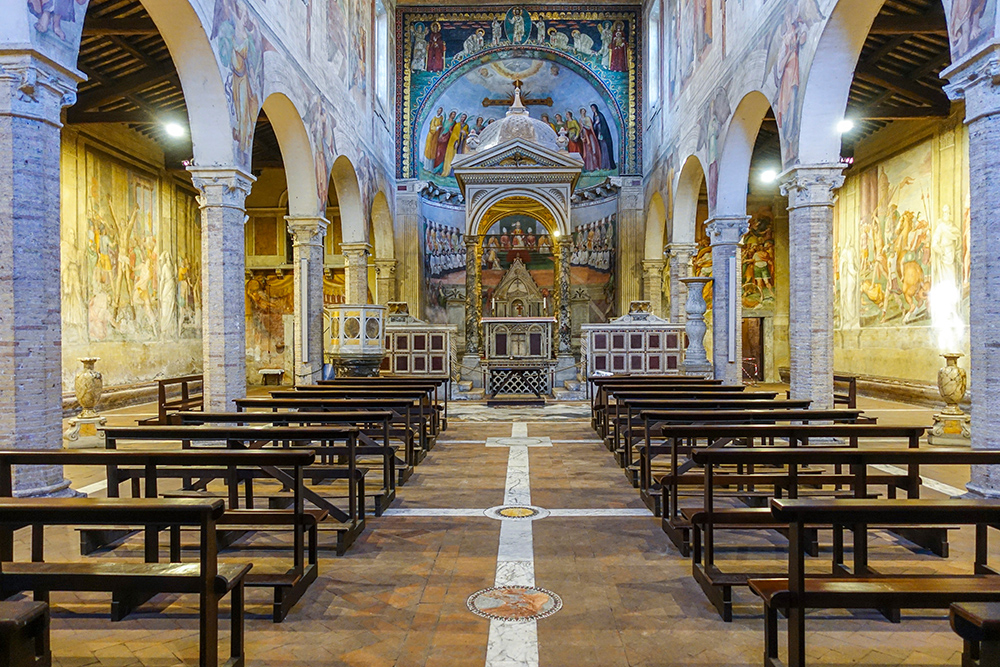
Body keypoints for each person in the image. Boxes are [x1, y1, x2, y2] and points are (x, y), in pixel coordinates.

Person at [590, 104, 617, 171]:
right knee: (602, 150)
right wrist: (595, 125)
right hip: (599, 136)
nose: (592, 109)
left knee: (606, 150)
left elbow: (604, 126)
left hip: (604, 136)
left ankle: (608, 166)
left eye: (593, 108)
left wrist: (601, 133)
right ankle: (603, 165)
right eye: (591, 108)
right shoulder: (594, 116)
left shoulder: (600, 115)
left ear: (596, 108)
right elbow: (594, 126)